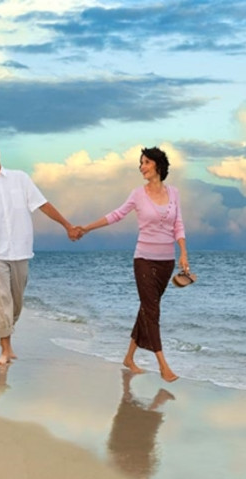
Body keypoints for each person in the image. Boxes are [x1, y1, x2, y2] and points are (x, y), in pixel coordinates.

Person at [0, 136, 80, 366]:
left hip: (21, 251)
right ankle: (6, 349)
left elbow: (43, 205)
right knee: (3, 301)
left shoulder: (20, 178)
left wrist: (67, 225)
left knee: (16, 303)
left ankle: (4, 337)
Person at [79, 146, 188, 382]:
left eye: (146, 162)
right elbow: (116, 215)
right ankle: (163, 364)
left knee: (146, 310)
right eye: (141, 163)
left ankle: (129, 357)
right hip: (144, 260)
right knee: (152, 310)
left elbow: (178, 224)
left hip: (166, 261)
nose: (142, 167)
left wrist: (183, 253)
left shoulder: (175, 193)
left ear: (158, 165)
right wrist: (87, 228)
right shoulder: (138, 194)